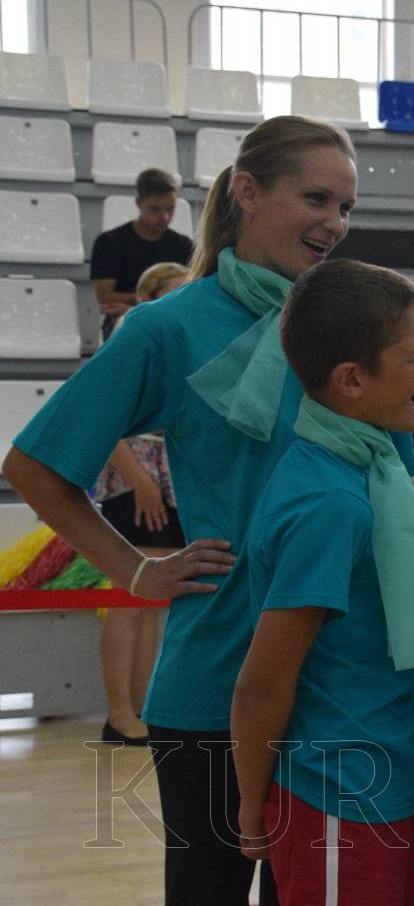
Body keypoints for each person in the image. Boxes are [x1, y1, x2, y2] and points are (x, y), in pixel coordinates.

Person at [3, 115, 414, 906]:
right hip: (218, 685)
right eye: (316, 199)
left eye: (347, 207)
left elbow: (390, 506)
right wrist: (136, 570)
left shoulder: (356, 326)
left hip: (342, 690)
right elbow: (35, 466)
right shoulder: (169, 327)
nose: (335, 223)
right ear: (248, 192)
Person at [231, 259, 414, 905]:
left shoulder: (360, 469)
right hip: (333, 795)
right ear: (351, 379)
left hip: (378, 780)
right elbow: (263, 683)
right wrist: (252, 804)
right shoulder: (330, 504)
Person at [94, 261, 190, 746]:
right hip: (135, 473)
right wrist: (141, 482)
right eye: (173, 293)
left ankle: (142, 707)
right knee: (128, 600)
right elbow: (105, 419)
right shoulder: (129, 337)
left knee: (152, 603)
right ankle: (118, 713)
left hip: (169, 473)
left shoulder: (178, 344)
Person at [90, 167, 195, 340]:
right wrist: (145, 307)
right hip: (128, 320)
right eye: (156, 209)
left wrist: (136, 306)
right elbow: (105, 296)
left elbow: (191, 295)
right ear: (139, 203)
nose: (165, 217)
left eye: (170, 209)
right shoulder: (108, 242)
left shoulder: (183, 244)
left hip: (167, 318)